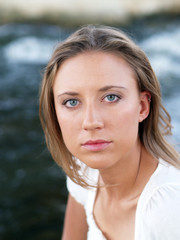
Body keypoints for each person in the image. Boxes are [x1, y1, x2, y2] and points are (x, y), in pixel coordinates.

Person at [39, 25, 180, 240]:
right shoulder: (83, 173)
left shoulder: (169, 210)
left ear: (142, 107)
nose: (91, 122)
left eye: (111, 97)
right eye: (72, 102)